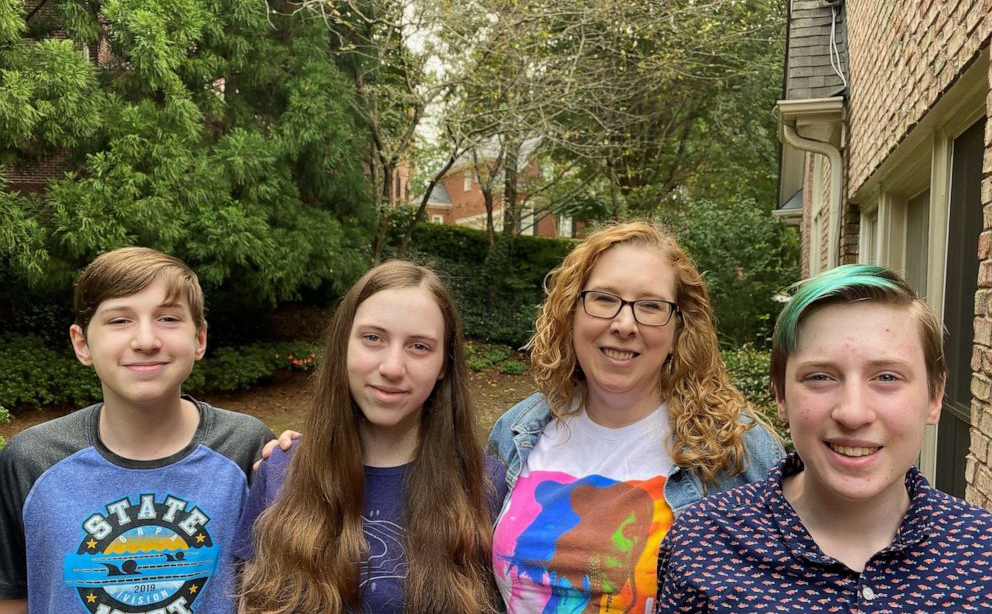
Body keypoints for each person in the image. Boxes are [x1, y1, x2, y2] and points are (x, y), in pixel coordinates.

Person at [656, 263, 992, 612]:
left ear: (935, 397)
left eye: (887, 377)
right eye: (820, 377)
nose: (853, 412)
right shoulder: (702, 545)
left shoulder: (982, 555)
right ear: (781, 397)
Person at [487, 221, 784, 613]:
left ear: (680, 327)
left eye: (650, 306)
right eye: (604, 299)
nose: (624, 324)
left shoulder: (737, 449)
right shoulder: (515, 430)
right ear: (571, 312)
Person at [0, 247, 274, 614]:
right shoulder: (31, 459)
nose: (146, 340)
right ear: (82, 343)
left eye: (168, 319)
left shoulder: (248, 448)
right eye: (119, 321)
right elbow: (11, 598)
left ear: (200, 339)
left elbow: (279, 587)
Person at [235, 260, 506, 614]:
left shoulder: (485, 486)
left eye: (419, 346)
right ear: (343, 347)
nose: (393, 367)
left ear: (444, 365)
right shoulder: (280, 473)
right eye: (373, 338)